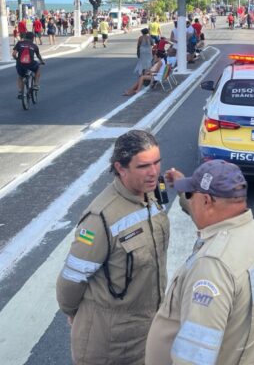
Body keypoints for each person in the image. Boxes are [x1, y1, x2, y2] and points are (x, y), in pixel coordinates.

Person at [145, 160, 254, 365]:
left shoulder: (212, 267)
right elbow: (200, 210)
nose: (189, 200)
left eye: (191, 195)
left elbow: (192, 357)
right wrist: (184, 189)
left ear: (206, 201)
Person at [56, 131, 170, 365]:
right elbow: (71, 280)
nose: (154, 172)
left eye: (157, 162)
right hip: (111, 346)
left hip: (148, 334)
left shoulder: (153, 190)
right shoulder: (99, 219)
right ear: (120, 168)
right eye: (144, 166)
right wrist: (73, 313)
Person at [12, 31, 44, 98]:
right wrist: (42, 61)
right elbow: (38, 56)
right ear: (32, 38)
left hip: (20, 64)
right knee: (37, 68)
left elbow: (14, 54)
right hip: (30, 64)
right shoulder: (34, 46)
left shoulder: (19, 43)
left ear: (25, 37)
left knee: (20, 77)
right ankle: (35, 85)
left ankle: (20, 91)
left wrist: (17, 59)